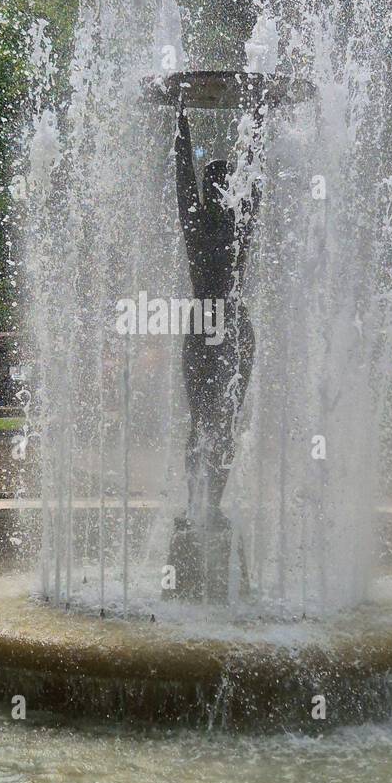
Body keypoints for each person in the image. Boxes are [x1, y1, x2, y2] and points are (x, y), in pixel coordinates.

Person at [174, 100, 262, 523]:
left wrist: (181, 118)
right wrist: (258, 116)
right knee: (221, 421)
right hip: (232, 323)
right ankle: (207, 505)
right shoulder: (238, 227)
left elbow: (182, 182)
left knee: (204, 421)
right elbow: (255, 176)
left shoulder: (197, 223)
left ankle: (200, 505)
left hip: (204, 320)